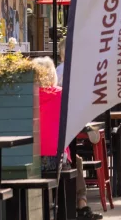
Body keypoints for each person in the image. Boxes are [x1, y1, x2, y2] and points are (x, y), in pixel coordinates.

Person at [32, 58, 101, 219]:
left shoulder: (26, 97)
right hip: (56, 160)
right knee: (74, 161)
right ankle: (81, 205)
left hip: (28, 158)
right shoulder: (62, 95)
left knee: (73, 159)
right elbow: (81, 120)